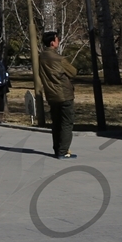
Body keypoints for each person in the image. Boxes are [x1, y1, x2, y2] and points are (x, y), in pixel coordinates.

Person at [40, 30, 77, 158]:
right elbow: (73, 72)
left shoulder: (42, 57)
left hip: (51, 94)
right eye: (57, 39)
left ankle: (57, 148)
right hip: (64, 94)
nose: (59, 41)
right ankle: (63, 151)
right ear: (52, 43)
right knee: (67, 122)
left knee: (56, 122)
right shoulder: (59, 59)